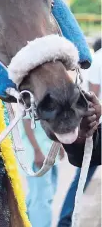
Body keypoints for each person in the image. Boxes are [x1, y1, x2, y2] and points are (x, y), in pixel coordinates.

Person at [58, 38, 102, 227]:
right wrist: (86, 128)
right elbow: (92, 96)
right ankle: (65, 221)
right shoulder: (99, 59)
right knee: (82, 172)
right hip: (94, 130)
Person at [19, 118, 64, 227]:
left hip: (49, 150)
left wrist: (59, 144)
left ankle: (24, 223)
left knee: (41, 195)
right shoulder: (31, 100)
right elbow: (27, 121)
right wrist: (37, 151)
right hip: (39, 154)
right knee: (41, 199)